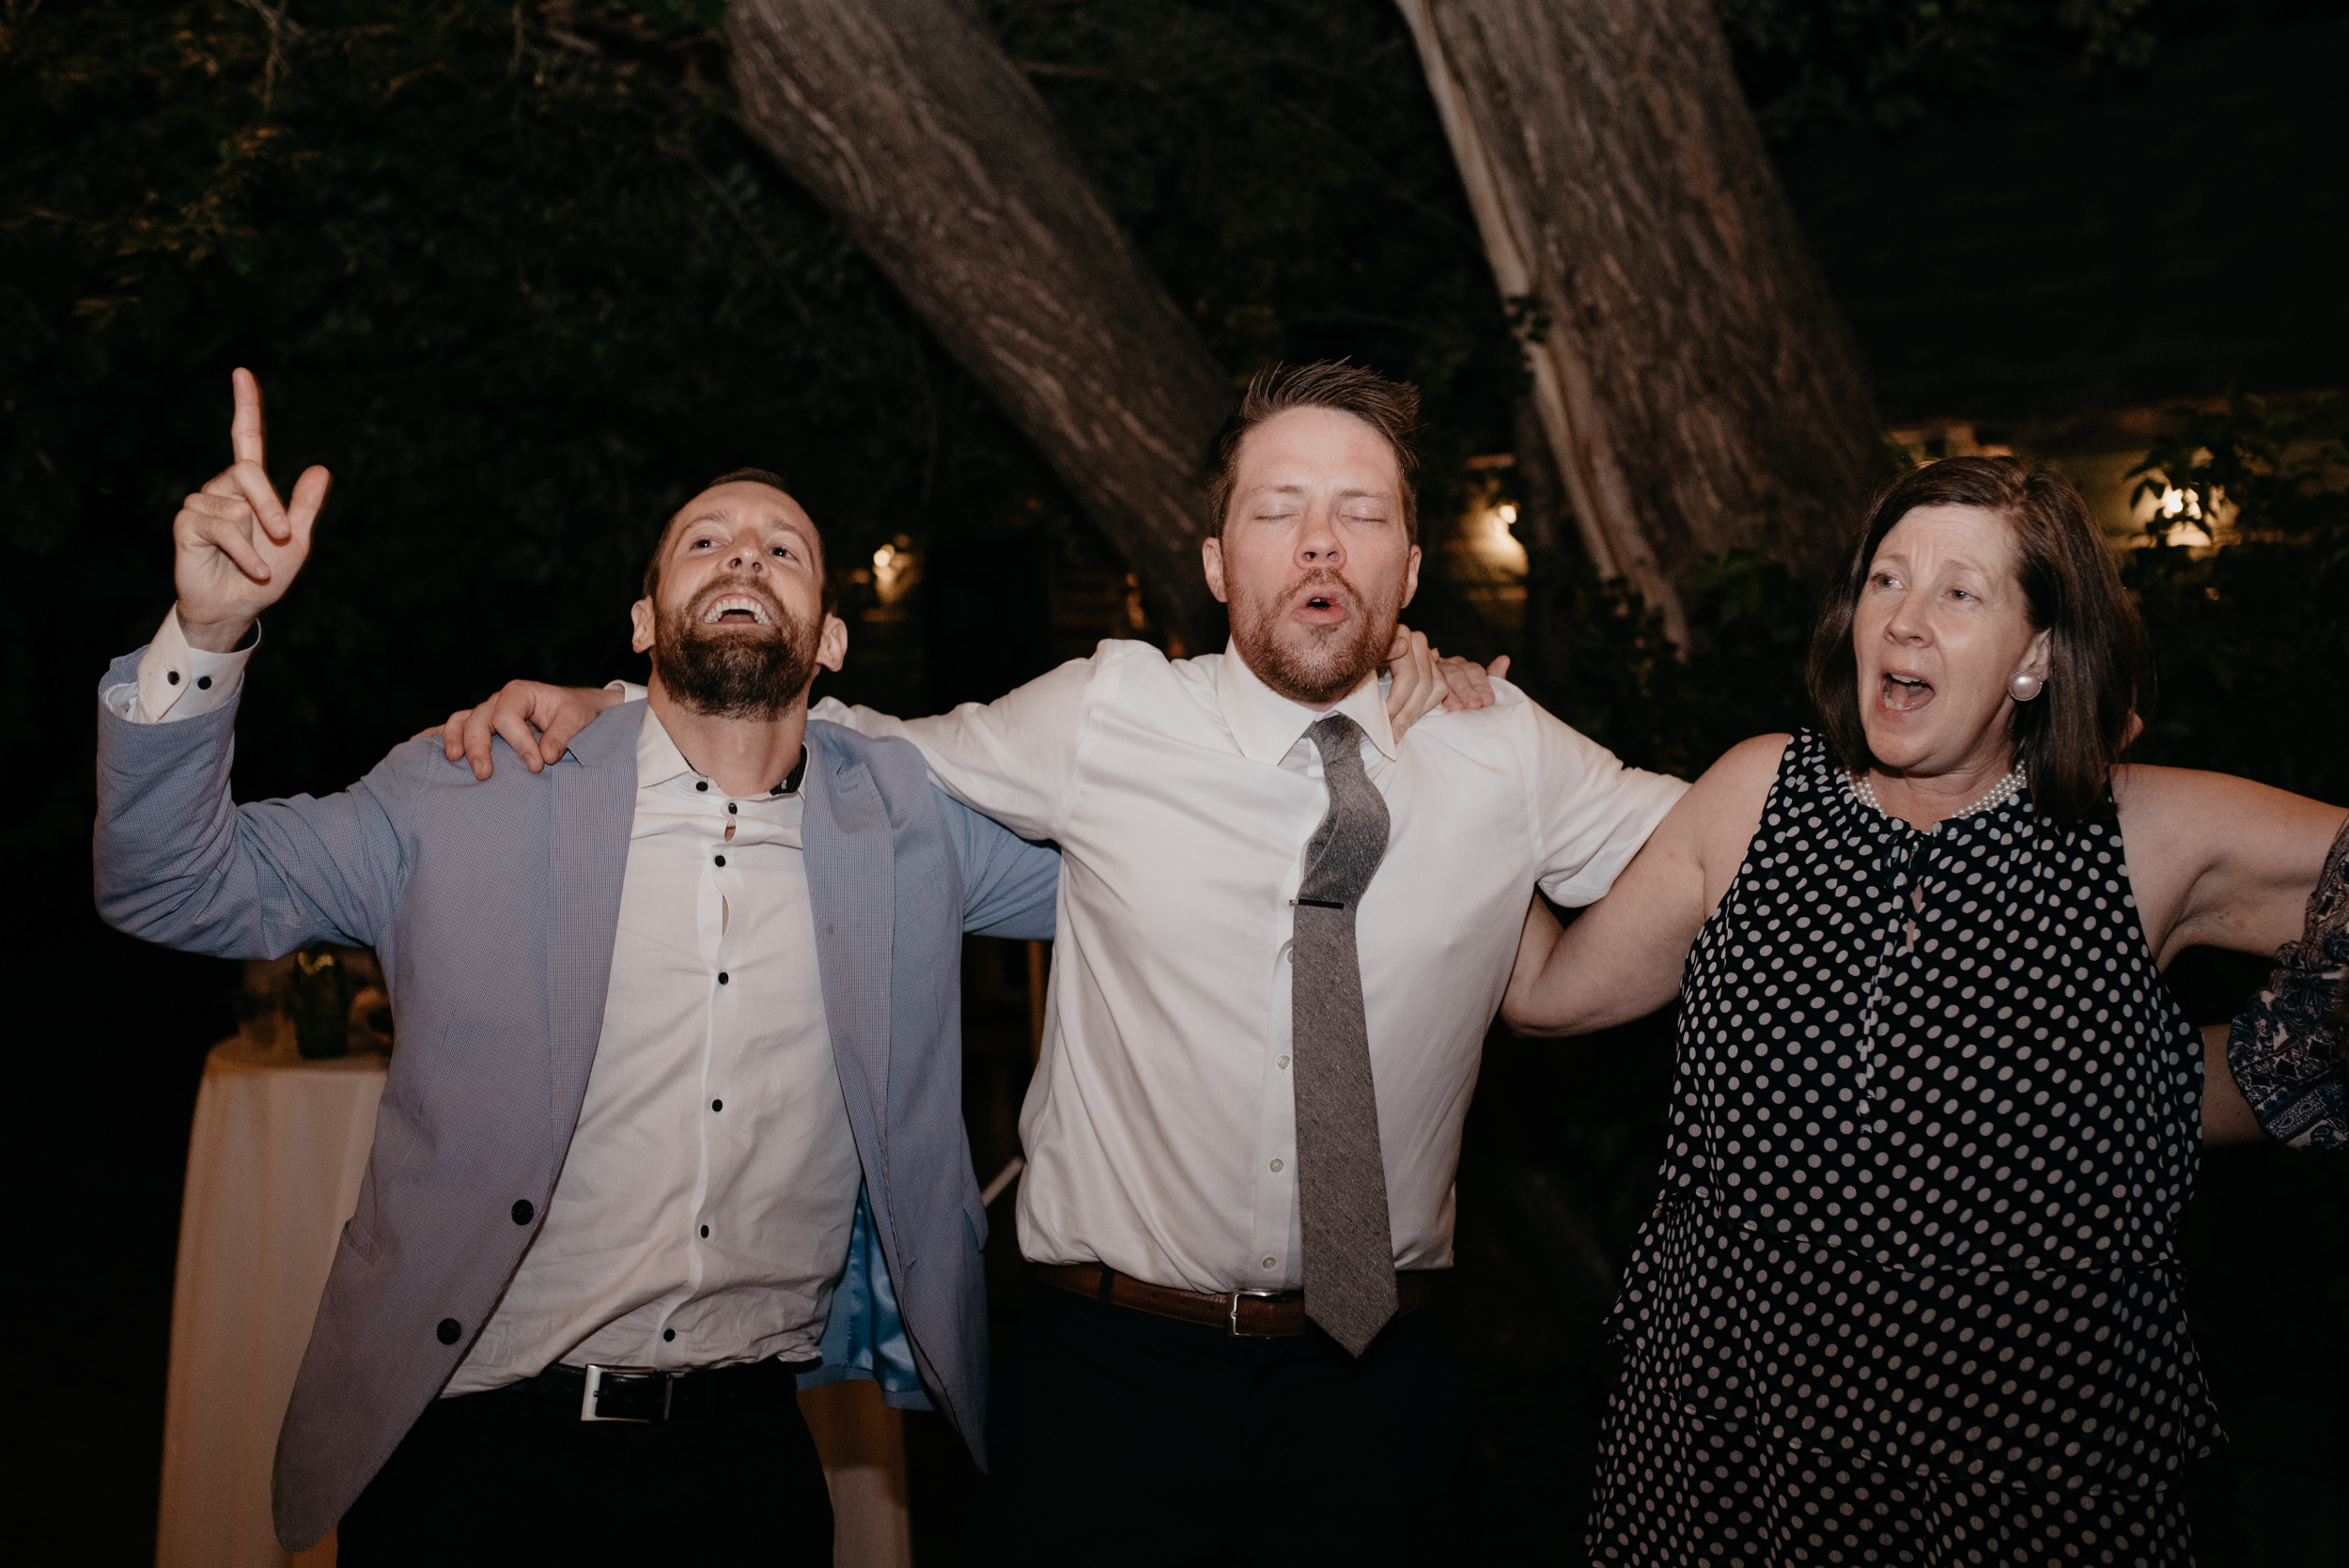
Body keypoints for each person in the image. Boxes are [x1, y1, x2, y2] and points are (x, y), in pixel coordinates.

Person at [436, 360, 1690, 1561]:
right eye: (1279, 510)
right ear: (1215, 562)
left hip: (1380, 1385)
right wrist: (622, 699)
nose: (1320, 542)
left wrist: (1873, 771)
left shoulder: (1502, 749)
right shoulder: (1113, 711)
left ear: (1409, 569)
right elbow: (866, 753)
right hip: (1108, 1383)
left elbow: (1713, 856)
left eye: (1360, 514)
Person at [93, 371, 1062, 1563]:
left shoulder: (913, 830)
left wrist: (1359, 698)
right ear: (647, 619)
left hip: (744, 1466)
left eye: (782, 548)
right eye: (704, 541)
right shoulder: (471, 787)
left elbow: (1145, 883)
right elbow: (168, 884)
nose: (743, 559)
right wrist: (205, 634)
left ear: (834, 636)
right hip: (473, 1451)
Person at [1501, 456, 2348, 1564]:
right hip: (1732, 1446)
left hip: (2024, 1466)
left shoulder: (2135, 833)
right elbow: (1546, 997)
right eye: (1887, 580)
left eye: (1959, 592)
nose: (1904, 620)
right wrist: (1473, 767)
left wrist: (2180, 1086)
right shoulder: (1757, 795)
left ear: (2037, 656)